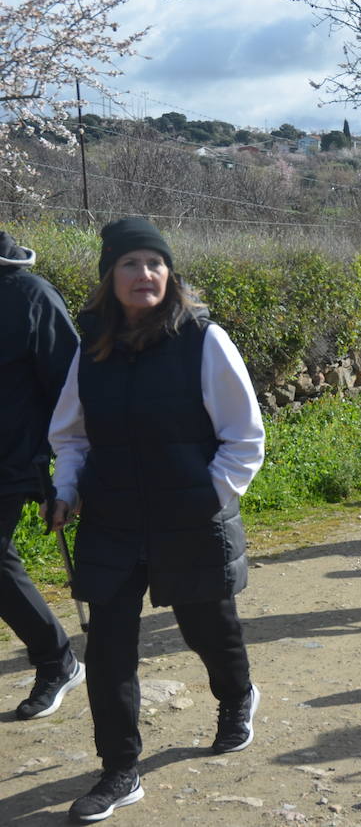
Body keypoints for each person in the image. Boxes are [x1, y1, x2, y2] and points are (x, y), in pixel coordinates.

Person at [47, 217, 266, 822]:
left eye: (154, 263)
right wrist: (66, 490)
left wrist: (207, 494)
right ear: (108, 277)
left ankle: (237, 697)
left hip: (188, 518)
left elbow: (244, 437)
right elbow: (71, 435)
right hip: (111, 520)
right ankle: (119, 769)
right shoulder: (91, 347)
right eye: (129, 264)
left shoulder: (203, 340)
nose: (144, 274)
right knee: (110, 647)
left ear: (169, 274)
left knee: (207, 628)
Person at [0, 231, 84, 723]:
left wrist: (64, 469)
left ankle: (57, 661)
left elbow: (71, 384)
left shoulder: (32, 295)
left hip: (13, 458)